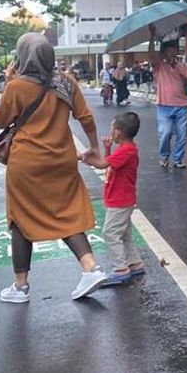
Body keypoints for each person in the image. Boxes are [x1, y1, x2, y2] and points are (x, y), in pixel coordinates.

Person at [0, 33, 109, 303]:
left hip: (26, 164)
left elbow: (0, 121)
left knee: (21, 220)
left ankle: (21, 287)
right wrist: (94, 148)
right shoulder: (66, 82)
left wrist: (10, 84)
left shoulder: (17, 87)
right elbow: (86, 118)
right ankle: (90, 267)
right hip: (62, 160)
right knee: (66, 213)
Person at [79, 112, 145, 284]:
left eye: (112, 128)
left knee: (110, 233)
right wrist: (107, 149)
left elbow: (102, 164)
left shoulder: (126, 151)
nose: (111, 131)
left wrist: (87, 160)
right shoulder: (126, 150)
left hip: (120, 200)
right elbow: (109, 163)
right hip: (121, 198)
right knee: (124, 234)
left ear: (118, 133)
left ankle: (121, 268)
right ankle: (135, 263)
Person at [150, 37, 187, 170]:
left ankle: (178, 159)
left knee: (182, 134)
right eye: (168, 51)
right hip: (164, 106)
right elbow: (151, 56)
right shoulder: (159, 66)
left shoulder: (184, 66)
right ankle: (164, 157)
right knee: (165, 132)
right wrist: (152, 38)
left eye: (173, 50)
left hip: (182, 106)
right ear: (164, 53)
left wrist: (179, 70)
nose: (171, 53)